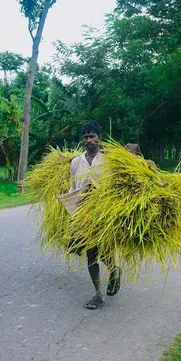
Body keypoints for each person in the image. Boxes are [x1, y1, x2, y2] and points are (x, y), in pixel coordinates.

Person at [68, 121, 121, 309]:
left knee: (105, 251)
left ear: (100, 137)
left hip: (104, 214)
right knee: (91, 254)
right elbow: (73, 187)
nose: (89, 140)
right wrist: (71, 209)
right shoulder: (75, 162)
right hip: (83, 215)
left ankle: (114, 269)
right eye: (85, 137)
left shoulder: (109, 160)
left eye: (92, 136)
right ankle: (98, 294)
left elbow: (118, 187)